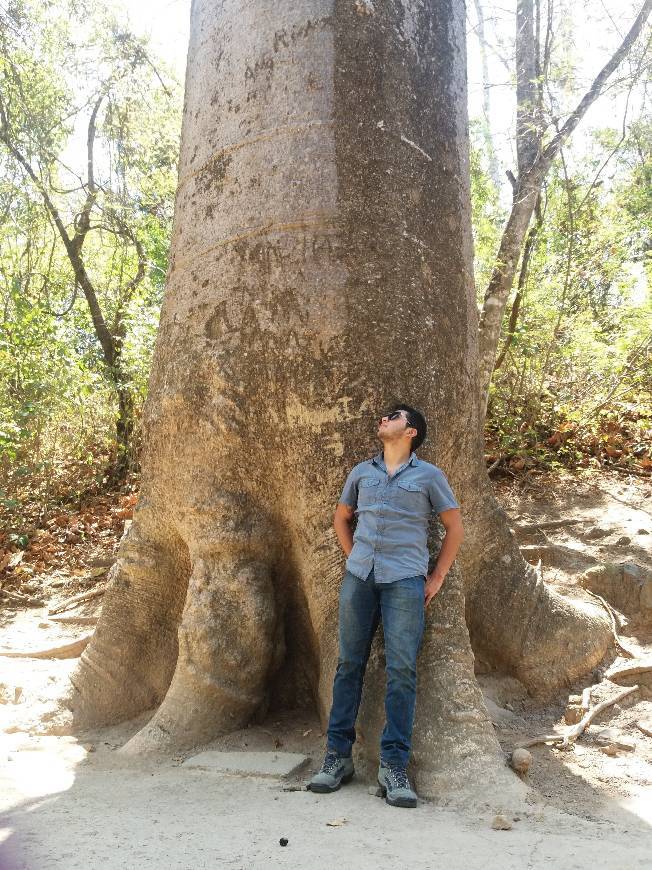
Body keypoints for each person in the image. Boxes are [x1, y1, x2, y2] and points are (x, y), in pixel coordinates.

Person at [308, 404, 464, 807]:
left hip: (405, 582)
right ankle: (336, 758)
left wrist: (437, 577)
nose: (383, 419)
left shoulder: (429, 476)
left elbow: (454, 527)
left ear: (411, 431)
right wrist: (352, 558)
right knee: (348, 665)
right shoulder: (362, 472)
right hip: (359, 578)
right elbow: (341, 517)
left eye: (393, 416)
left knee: (401, 670)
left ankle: (394, 767)